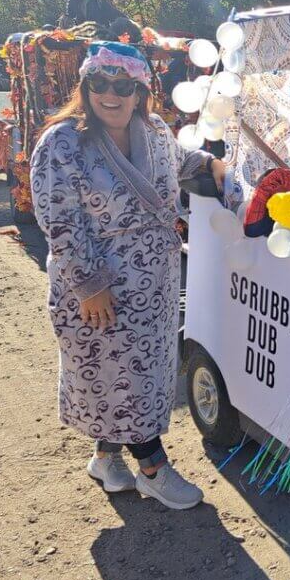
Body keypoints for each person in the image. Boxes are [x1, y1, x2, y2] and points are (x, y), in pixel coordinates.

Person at [30, 41, 226, 510]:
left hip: (154, 287)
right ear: (86, 86)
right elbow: (58, 220)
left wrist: (215, 165)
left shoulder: (155, 130)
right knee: (120, 377)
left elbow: (183, 165)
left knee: (135, 378)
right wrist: (87, 286)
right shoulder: (63, 142)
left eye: (124, 86)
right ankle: (154, 468)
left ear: (140, 91)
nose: (111, 95)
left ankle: (105, 458)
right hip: (99, 290)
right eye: (100, 84)